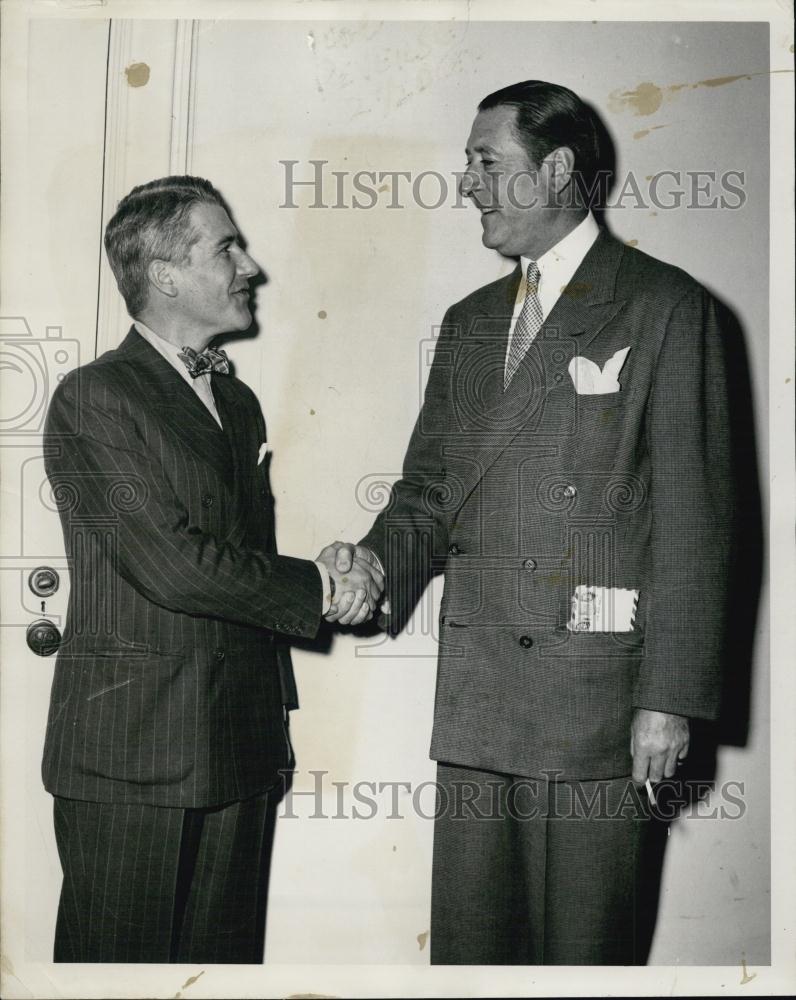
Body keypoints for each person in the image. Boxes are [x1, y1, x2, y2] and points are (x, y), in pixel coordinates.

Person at [332, 80, 736, 964]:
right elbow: (429, 493)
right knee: (475, 956)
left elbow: (699, 526)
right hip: (479, 703)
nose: (466, 183)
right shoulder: (470, 323)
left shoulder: (666, 307)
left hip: (597, 706)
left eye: (486, 162)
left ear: (554, 170)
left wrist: (668, 699)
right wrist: (369, 566)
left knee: (584, 957)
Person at [41, 175, 382, 963]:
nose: (250, 266)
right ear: (164, 274)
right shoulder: (94, 398)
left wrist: (326, 564)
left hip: (241, 743)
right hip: (133, 760)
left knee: (218, 977)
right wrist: (322, 588)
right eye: (226, 246)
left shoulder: (241, 405)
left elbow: (239, 559)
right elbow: (173, 564)